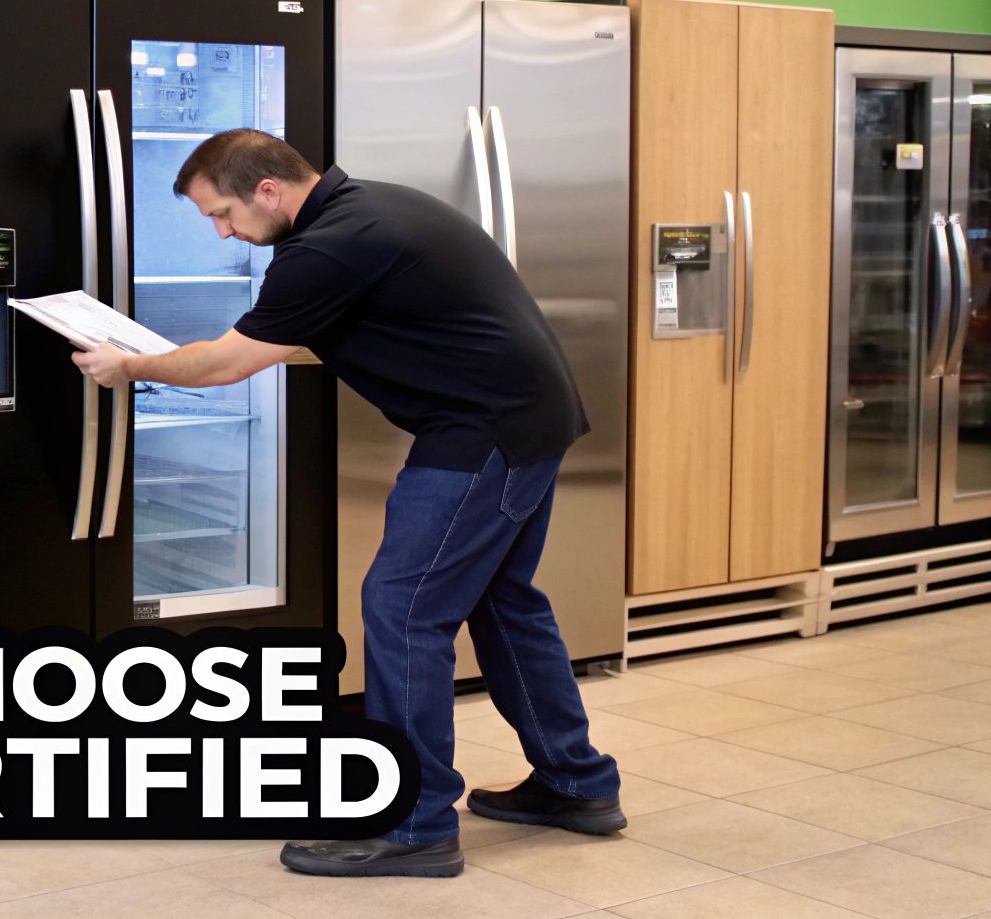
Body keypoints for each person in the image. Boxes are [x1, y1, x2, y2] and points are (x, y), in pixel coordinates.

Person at [72, 128, 623, 879]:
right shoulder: (367, 210)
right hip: (525, 420)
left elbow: (235, 362)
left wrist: (130, 365)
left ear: (268, 190)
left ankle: (416, 825)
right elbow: (295, 338)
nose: (223, 232)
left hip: (481, 437)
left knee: (402, 611)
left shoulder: (327, 247)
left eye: (223, 214)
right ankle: (576, 784)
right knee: (502, 603)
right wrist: (194, 352)